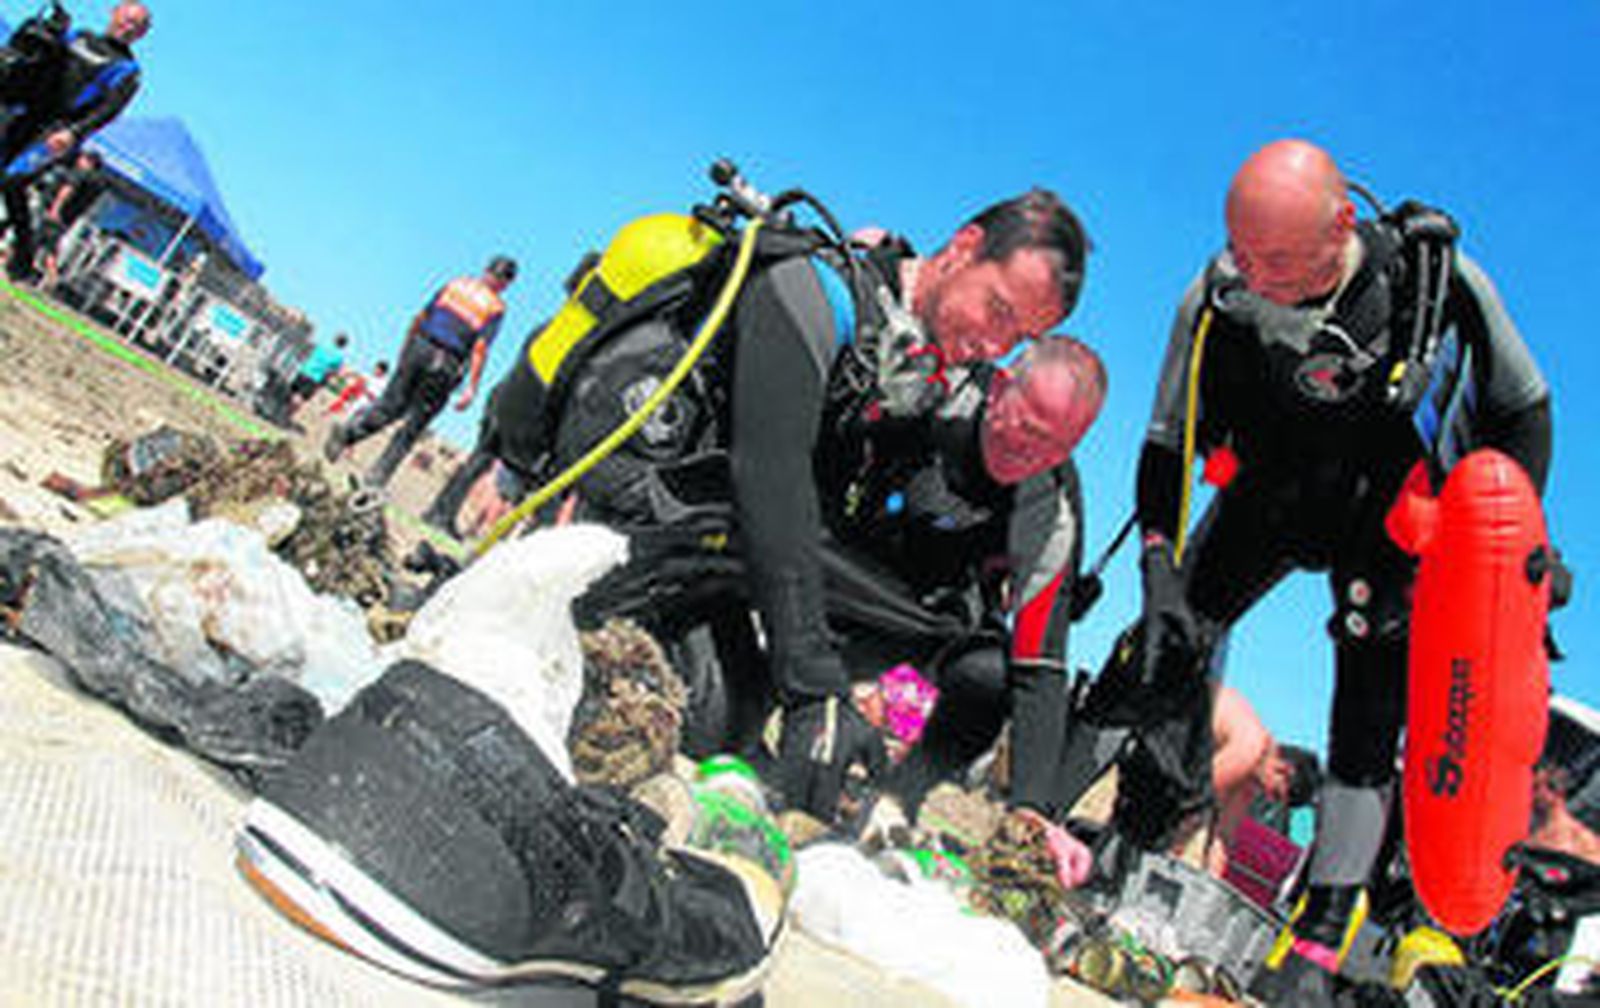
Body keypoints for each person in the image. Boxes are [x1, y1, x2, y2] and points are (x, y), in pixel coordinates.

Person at [494, 186, 1092, 825]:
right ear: (965, 247)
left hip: (710, 564)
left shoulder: (914, 368)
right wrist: (815, 692)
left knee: (735, 721)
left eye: (1020, 335)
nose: (996, 344)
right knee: (700, 718)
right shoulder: (813, 290)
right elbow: (770, 473)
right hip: (628, 528)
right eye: (998, 310)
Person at [1126, 139, 1552, 1004]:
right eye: (1242, 251)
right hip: (1269, 495)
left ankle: (1317, 945)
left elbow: (1524, 406)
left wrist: (1512, 570)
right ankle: (1113, 850)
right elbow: (1168, 438)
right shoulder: (1217, 294)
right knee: (1160, 646)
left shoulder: (1439, 281)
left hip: (1390, 520)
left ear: (1341, 225)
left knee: (1366, 721)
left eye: (1277, 258)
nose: (1258, 274)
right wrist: (1159, 566)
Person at [325, 255, 516, 488]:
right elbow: (480, 347)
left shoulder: (455, 285)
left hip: (419, 346)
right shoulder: (495, 306)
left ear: (486, 270)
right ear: (507, 283)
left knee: (390, 405)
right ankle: (377, 477)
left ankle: (347, 434)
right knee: (415, 423)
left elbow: (421, 316)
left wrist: (406, 348)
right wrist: (472, 387)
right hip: (446, 362)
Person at [0, 1, 149, 285]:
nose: (128, 27)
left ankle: (23, 253)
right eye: (126, 19)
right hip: (28, 113)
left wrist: (75, 133)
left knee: (10, 180)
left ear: (142, 34)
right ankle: (24, 254)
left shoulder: (127, 70)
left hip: (57, 133)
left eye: (137, 25)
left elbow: (108, 111)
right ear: (113, 13)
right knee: (12, 185)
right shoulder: (78, 36)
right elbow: (39, 58)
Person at [35, 147, 105, 288]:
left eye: (83, 158)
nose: (79, 160)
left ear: (89, 162)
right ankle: (50, 274)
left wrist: (55, 208)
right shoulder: (98, 183)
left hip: (54, 212)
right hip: (68, 218)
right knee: (48, 242)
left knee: (40, 238)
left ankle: (51, 274)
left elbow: (67, 190)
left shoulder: (80, 174)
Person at [287, 332, 349, 421]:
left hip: (304, 370)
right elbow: (334, 372)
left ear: (334, 339)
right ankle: (288, 416)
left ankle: (283, 412)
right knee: (301, 398)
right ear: (344, 346)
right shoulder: (339, 358)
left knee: (293, 392)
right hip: (315, 378)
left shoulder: (322, 346)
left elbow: (309, 353)